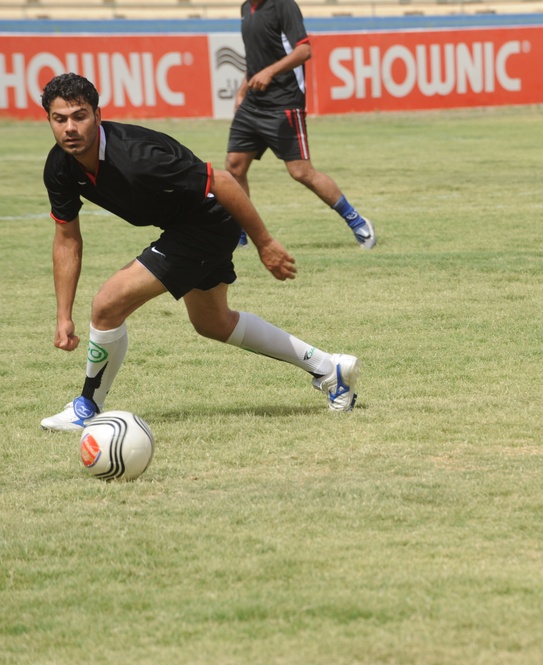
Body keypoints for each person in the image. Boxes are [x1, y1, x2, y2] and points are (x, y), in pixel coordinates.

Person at [39, 73, 361, 432]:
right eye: (60, 118)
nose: (70, 127)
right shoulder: (60, 166)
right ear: (49, 121)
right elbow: (67, 240)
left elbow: (222, 181)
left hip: (206, 223)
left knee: (107, 304)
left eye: (79, 116)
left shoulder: (137, 154)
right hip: (186, 227)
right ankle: (330, 368)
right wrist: (63, 315)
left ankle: (88, 406)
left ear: (98, 115)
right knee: (213, 322)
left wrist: (265, 243)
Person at [225, 0, 376, 250]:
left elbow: (304, 50)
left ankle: (357, 221)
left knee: (301, 172)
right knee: (234, 167)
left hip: (283, 103)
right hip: (253, 103)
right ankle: (238, 233)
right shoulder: (245, 8)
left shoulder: (283, 5)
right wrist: (242, 90)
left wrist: (270, 72)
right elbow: (257, 59)